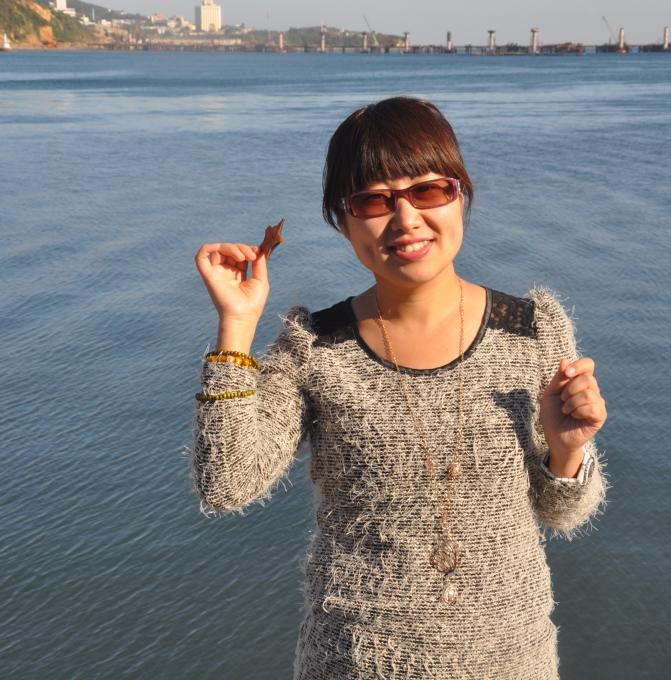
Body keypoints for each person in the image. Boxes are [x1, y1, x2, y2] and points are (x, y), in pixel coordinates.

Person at [190, 96, 609, 679]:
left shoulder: (532, 329)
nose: (406, 218)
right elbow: (227, 485)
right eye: (373, 200)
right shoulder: (315, 345)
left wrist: (567, 452)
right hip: (354, 663)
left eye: (429, 190)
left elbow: (562, 513)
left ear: (461, 196)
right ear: (342, 221)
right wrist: (236, 328)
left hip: (512, 661)